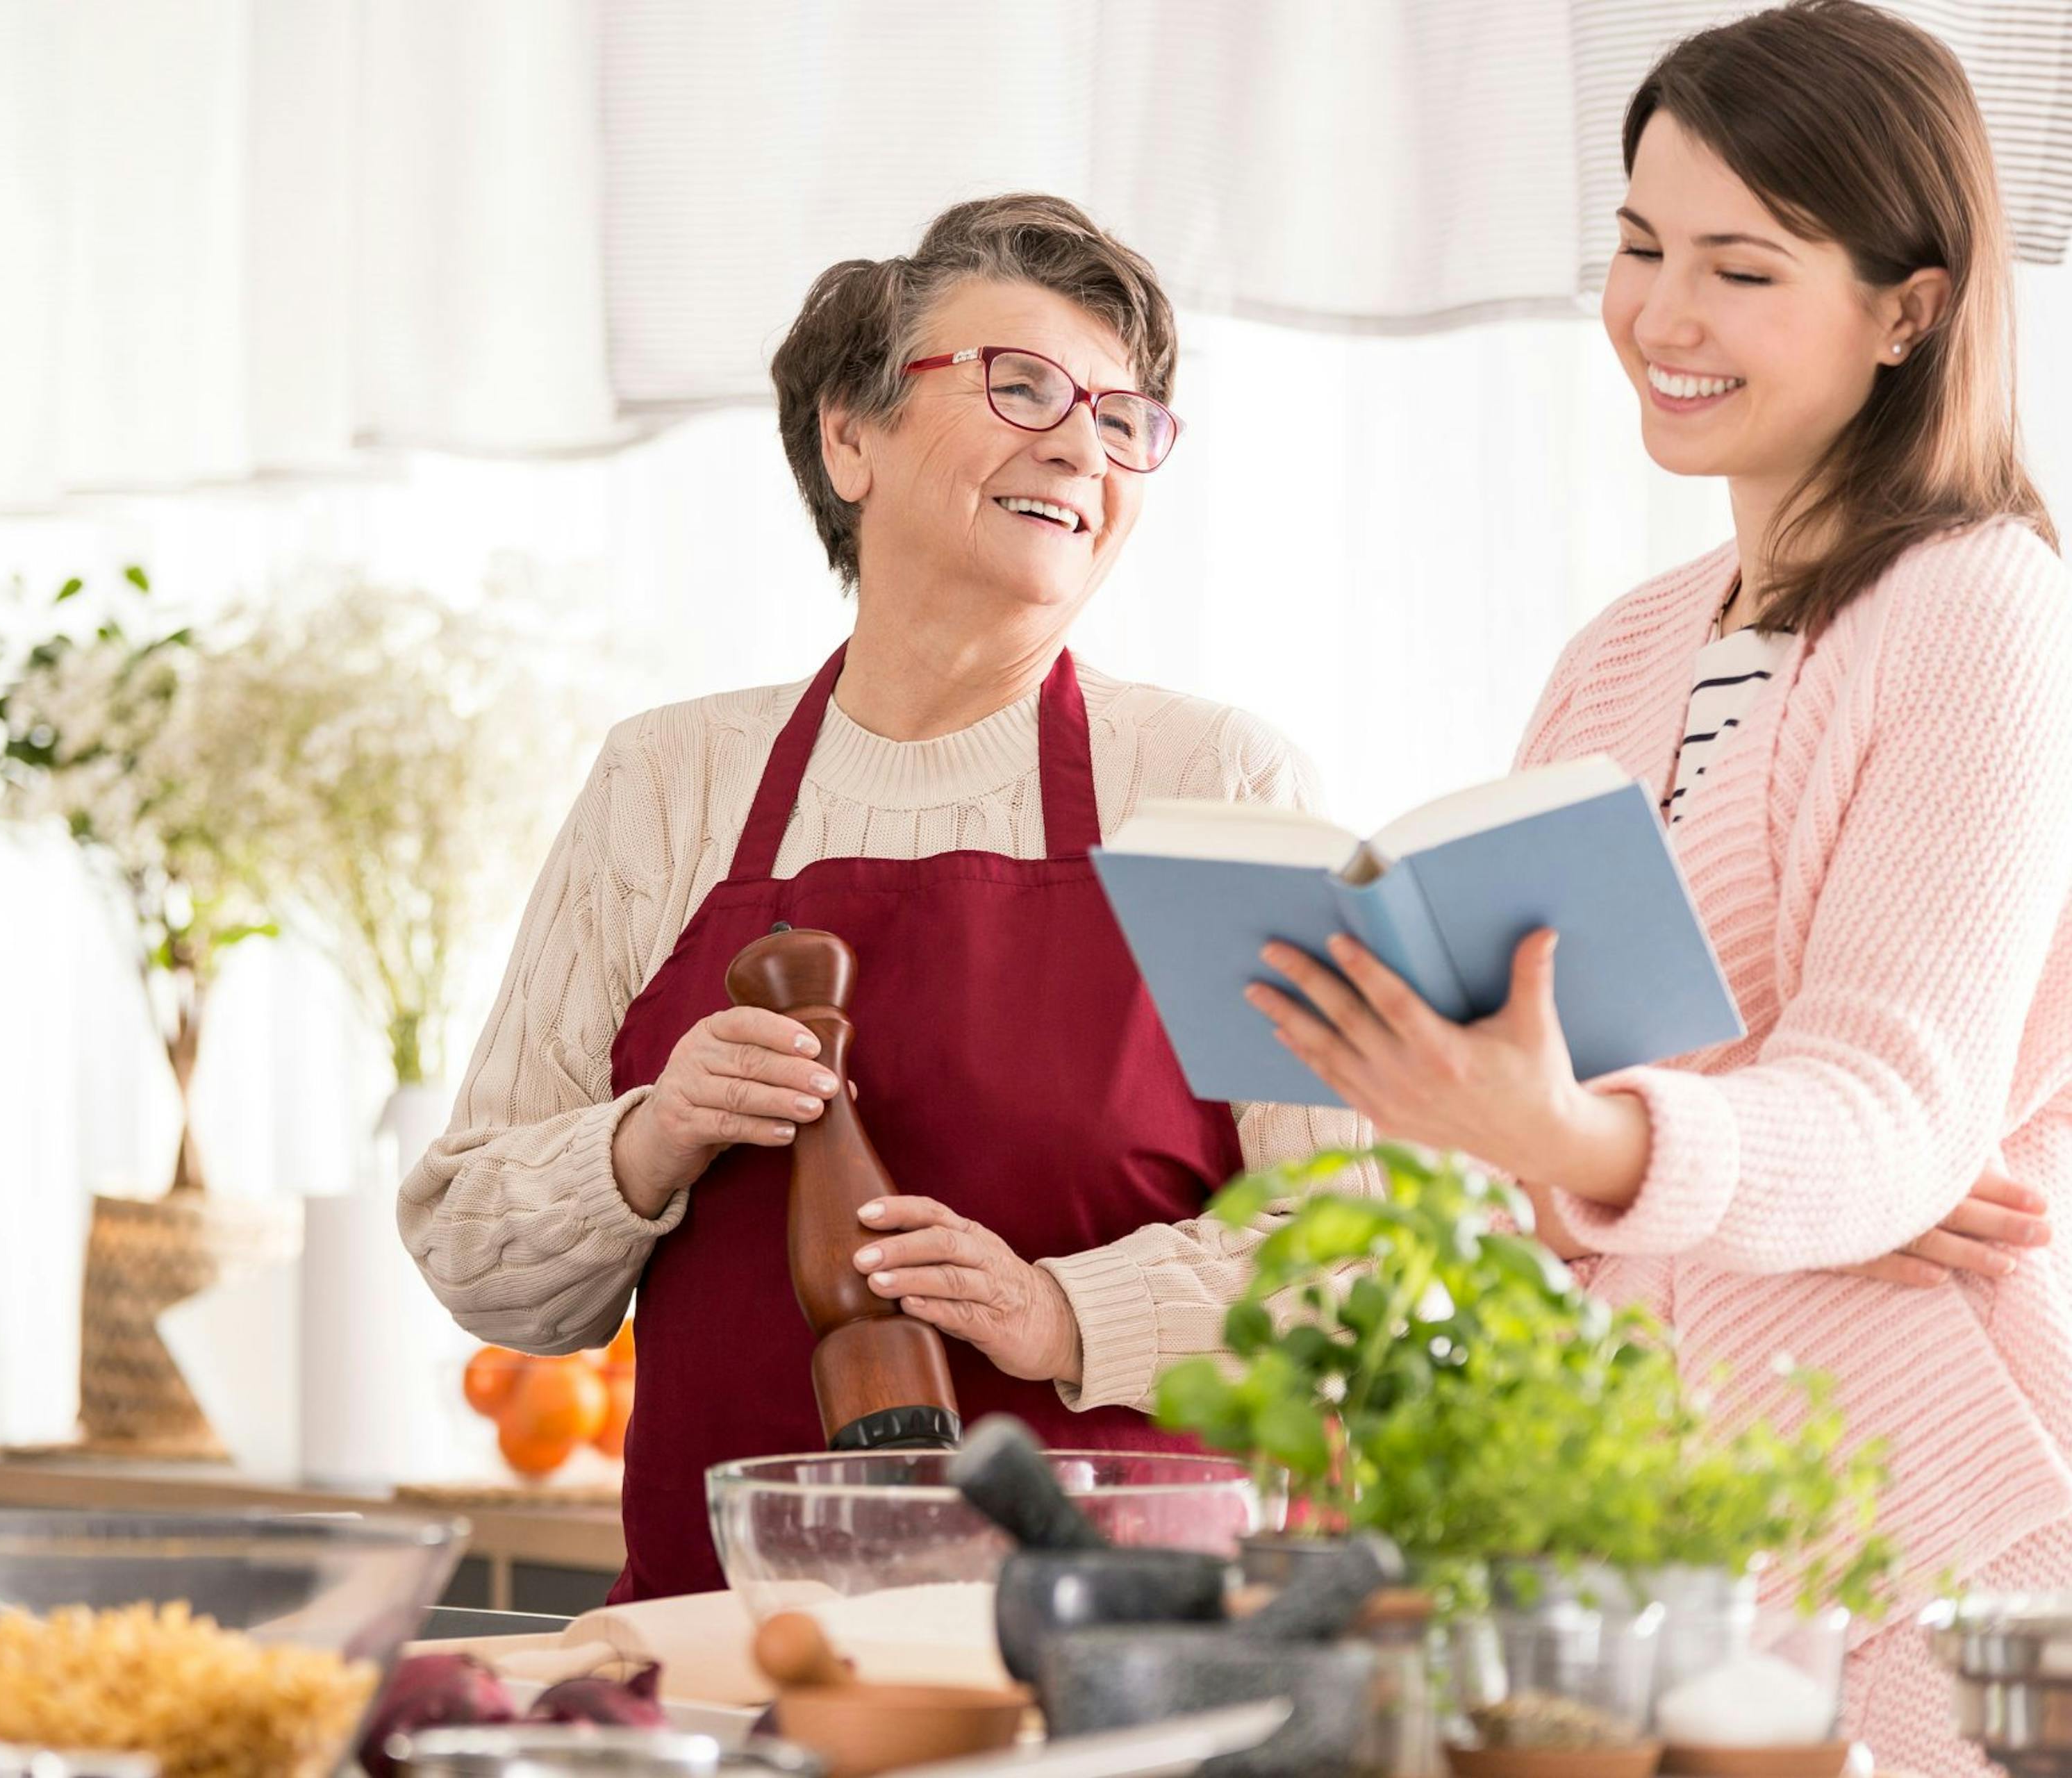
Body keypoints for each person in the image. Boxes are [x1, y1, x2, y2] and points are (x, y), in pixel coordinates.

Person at [1245, 6, 2066, 1768]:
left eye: (1740, 267)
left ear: (1908, 308)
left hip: (1926, 1533)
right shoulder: (1621, 653)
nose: (1661, 318)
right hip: (1655, 1540)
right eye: (1637, 246)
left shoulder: (1982, 604)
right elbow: (1581, 1124)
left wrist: (1604, 1141)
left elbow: (1898, 1109)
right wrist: (1473, 1111)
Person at [399, 194, 1369, 1602]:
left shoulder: (1220, 783)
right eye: (1022, 384)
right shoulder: (671, 780)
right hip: (735, 1655)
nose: (1079, 443)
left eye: (1122, 417)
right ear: (849, 436)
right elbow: (481, 1253)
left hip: (1116, 1678)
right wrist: (655, 1134)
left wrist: (1062, 1310)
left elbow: (1373, 1258)